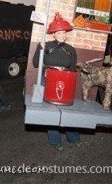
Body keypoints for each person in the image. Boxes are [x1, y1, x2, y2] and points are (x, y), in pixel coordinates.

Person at [33, 13, 80, 152]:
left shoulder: (71, 49)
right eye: (59, 32)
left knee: (67, 110)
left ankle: (73, 137)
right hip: (48, 80)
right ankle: (55, 140)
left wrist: (64, 72)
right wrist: (40, 49)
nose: (62, 35)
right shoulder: (45, 46)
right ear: (54, 34)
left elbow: (72, 69)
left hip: (64, 83)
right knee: (51, 111)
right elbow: (36, 63)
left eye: (64, 32)